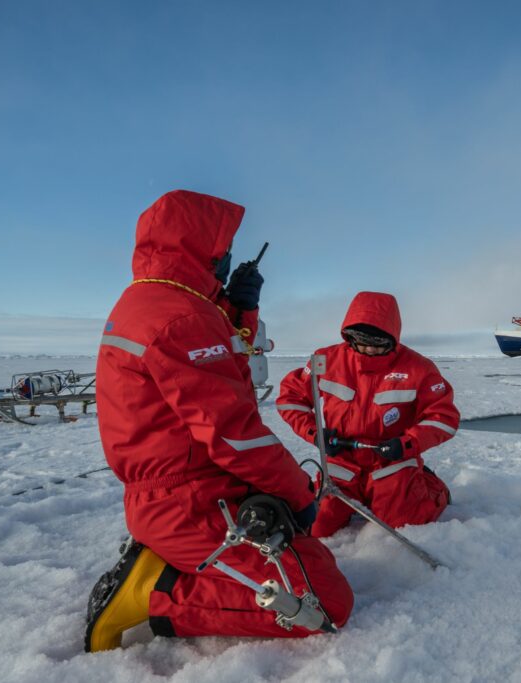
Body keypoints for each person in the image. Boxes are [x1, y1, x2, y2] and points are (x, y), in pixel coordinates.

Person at [85, 190, 353, 652]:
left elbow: (224, 368)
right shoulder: (182, 318)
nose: (227, 256)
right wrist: (297, 495)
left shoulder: (161, 302)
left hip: (189, 491)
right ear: (199, 247)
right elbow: (234, 433)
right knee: (322, 600)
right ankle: (152, 596)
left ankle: (167, 563)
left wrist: (236, 309)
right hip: (191, 502)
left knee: (309, 559)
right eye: (222, 247)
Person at [277, 292, 456, 536]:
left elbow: (444, 417)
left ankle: (434, 489)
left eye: (379, 343)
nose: (370, 349)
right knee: (317, 526)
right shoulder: (325, 359)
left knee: (402, 523)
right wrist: (316, 434)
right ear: (349, 336)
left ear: (393, 337)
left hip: (391, 461)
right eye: (362, 341)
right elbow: (291, 397)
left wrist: (407, 444)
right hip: (341, 461)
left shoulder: (419, 368)